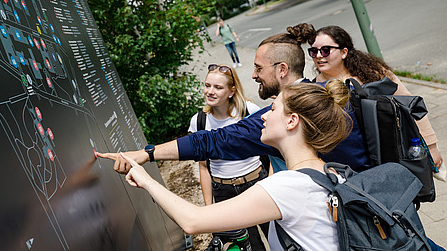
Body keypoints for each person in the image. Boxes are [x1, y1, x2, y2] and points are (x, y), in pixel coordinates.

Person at [98, 23, 372, 174]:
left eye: (258, 68)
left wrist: (148, 153)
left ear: (282, 70)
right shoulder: (324, 94)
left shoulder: (283, 117)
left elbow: (212, 141)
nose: (253, 75)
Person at [112, 81, 352, 250]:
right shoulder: (330, 172)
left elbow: (192, 221)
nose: (264, 116)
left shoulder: (287, 186)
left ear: (292, 121)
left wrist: (145, 178)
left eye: (273, 109)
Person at [301, 24, 443, 168]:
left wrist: (431, 147)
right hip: (350, 167)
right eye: (313, 51)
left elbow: (411, 106)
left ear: (344, 52)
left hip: (392, 154)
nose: (318, 56)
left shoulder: (373, 74)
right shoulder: (314, 90)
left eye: (325, 50)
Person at [190, 64, 265, 250]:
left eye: (218, 87)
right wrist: (209, 208)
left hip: (256, 184)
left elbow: (271, 148)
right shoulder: (199, 122)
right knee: (248, 245)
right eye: (207, 85)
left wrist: (272, 180)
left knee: (278, 234)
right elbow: (203, 166)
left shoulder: (248, 111)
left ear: (231, 91)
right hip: (224, 192)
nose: (210, 91)